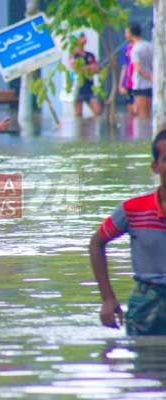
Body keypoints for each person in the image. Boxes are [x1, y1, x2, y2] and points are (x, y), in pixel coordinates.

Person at [89, 128, 166, 336]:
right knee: (143, 365)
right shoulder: (133, 210)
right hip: (145, 307)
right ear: (155, 167)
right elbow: (96, 243)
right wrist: (107, 298)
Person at [70, 31, 102, 118]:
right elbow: (76, 69)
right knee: (78, 115)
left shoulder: (90, 55)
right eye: (81, 37)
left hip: (89, 87)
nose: (85, 39)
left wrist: (87, 68)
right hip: (78, 87)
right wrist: (89, 68)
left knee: (98, 112)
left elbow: (96, 69)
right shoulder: (74, 56)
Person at [128, 22, 153, 119]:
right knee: (149, 114)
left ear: (130, 34)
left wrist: (150, 77)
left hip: (140, 85)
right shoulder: (149, 45)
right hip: (151, 85)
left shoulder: (135, 49)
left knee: (142, 116)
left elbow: (138, 69)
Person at [118, 28, 135, 116]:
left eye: (127, 33)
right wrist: (121, 84)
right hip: (128, 83)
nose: (126, 35)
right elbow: (124, 67)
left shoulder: (139, 47)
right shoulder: (125, 49)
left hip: (138, 83)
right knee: (130, 110)